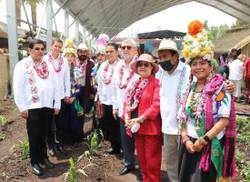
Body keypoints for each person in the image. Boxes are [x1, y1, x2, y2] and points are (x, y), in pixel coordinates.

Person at [178, 20, 236, 182]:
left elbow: (223, 120)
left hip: (209, 145)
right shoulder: (189, 87)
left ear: (211, 66)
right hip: (188, 145)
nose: (198, 67)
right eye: (194, 64)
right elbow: (183, 116)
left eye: (202, 63)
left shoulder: (219, 87)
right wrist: (185, 139)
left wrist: (202, 141)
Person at [13, 39, 61, 176]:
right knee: (34, 135)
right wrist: (22, 107)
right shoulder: (22, 65)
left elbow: (56, 86)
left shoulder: (48, 66)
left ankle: (43, 158)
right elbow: (17, 87)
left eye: (42, 49)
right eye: (37, 49)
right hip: (32, 106)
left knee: (45, 133)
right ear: (30, 50)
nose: (40, 51)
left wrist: (56, 104)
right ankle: (35, 161)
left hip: (46, 105)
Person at [153, 38, 190, 182]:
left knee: (186, 162)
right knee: (171, 162)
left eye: (165, 56)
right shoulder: (160, 73)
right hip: (167, 127)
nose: (162, 61)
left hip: (185, 128)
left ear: (175, 56)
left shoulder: (187, 71)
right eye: (160, 57)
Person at [125, 53, 162, 182]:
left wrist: (141, 118)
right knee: (142, 160)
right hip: (138, 129)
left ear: (152, 67)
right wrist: (127, 117)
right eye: (140, 64)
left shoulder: (156, 83)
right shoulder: (136, 83)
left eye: (146, 64)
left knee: (152, 162)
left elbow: (156, 105)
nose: (142, 67)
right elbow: (128, 102)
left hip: (151, 129)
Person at [112, 38, 139, 175]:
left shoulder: (142, 64)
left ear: (136, 50)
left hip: (139, 109)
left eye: (129, 47)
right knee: (126, 137)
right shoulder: (119, 66)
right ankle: (129, 162)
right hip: (124, 109)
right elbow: (116, 88)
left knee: (141, 139)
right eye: (123, 48)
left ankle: (145, 166)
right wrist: (115, 106)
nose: (126, 50)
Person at [43, 39, 70, 156]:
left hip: (60, 96)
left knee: (60, 123)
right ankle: (50, 146)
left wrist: (67, 93)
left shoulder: (64, 61)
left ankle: (59, 144)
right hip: (48, 97)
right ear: (51, 46)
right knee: (49, 123)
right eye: (56, 46)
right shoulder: (44, 60)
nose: (58, 48)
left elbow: (67, 78)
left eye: (60, 47)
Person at [97, 43, 121, 154]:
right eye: (107, 52)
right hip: (106, 100)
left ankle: (121, 146)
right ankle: (114, 145)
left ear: (117, 52)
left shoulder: (121, 65)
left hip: (118, 101)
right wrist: (100, 98)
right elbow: (100, 83)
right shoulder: (103, 66)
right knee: (109, 124)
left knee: (118, 125)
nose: (108, 54)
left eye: (111, 51)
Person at [75, 43, 95, 139]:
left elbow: (92, 79)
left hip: (85, 91)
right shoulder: (73, 62)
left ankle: (79, 134)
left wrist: (92, 92)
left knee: (82, 112)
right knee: (74, 112)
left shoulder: (91, 64)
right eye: (81, 51)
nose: (83, 53)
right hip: (74, 91)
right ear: (78, 52)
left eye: (84, 52)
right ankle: (72, 134)